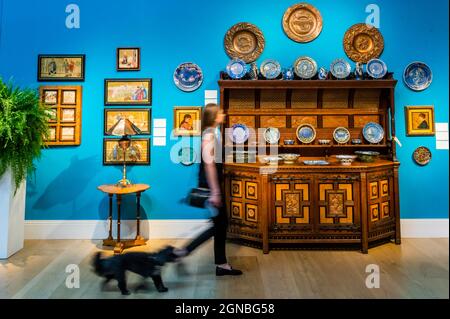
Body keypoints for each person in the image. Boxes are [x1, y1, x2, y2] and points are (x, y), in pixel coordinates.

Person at [174, 104, 242, 276]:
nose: (223, 114)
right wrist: (215, 192)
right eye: (220, 112)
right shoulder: (209, 136)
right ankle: (183, 252)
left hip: (213, 186)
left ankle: (220, 263)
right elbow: (209, 165)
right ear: (213, 116)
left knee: (219, 225)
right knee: (219, 225)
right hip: (212, 187)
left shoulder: (211, 133)